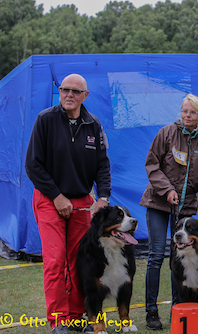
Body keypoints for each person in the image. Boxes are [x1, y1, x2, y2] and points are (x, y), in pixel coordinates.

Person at [25, 74, 111, 334]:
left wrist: (103, 197)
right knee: (55, 261)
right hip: (50, 200)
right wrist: (56, 196)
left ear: (85, 96)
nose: (68, 95)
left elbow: (102, 165)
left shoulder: (93, 124)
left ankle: (76, 318)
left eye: (75, 91)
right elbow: (33, 165)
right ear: (59, 92)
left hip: (82, 203)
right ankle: (58, 321)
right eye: (64, 90)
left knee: (79, 262)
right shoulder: (45, 120)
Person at [140, 94, 198, 330]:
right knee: (157, 256)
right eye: (184, 111)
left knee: (177, 258)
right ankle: (151, 311)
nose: (187, 115)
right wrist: (167, 189)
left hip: (186, 207)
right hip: (158, 202)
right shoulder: (166, 133)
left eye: (192, 112)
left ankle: (179, 310)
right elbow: (152, 164)